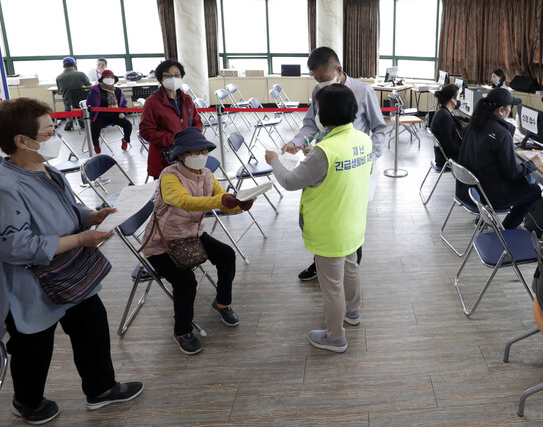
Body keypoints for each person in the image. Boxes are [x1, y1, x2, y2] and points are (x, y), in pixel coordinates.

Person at [0, 98, 143, 424]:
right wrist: (81, 239)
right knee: (34, 346)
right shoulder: (0, 189)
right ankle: (27, 401)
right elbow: (17, 246)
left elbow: (69, 209)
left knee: (92, 324)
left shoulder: (46, 170)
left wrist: (92, 216)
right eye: (50, 132)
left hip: (70, 272)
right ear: (22, 141)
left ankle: (101, 389)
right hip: (27, 284)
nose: (58, 137)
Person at [265, 84, 372, 353]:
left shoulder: (324, 151)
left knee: (331, 286)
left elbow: (290, 181)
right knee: (351, 269)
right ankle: (354, 313)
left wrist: (274, 161)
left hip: (329, 228)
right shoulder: (362, 139)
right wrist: (312, 156)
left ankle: (335, 337)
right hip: (353, 221)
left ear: (324, 113)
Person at [142, 127, 252, 355]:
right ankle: (181, 331)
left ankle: (222, 303)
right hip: (161, 244)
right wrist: (221, 200)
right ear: (181, 155)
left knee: (226, 254)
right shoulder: (169, 176)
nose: (201, 155)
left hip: (192, 235)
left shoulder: (208, 175)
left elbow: (221, 202)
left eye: (204, 151)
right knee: (186, 281)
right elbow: (185, 201)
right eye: (195, 152)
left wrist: (238, 205)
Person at [280, 46, 386, 281]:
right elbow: (311, 123)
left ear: (338, 69)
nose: (320, 83)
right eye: (316, 79)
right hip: (324, 161)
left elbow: (379, 128)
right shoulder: (319, 91)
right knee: (323, 217)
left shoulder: (362, 91)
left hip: (353, 166)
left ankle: (350, 271)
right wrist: (296, 142)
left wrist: (372, 157)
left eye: (324, 77)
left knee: (349, 218)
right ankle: (322, 263)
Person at [456, 88, 542, 230]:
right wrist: (533, 163)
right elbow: (512, 173)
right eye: (510, 108)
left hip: (470, 190)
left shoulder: (474, 123)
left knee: (526, 181)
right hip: (489, 195)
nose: (511, 110)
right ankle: (506, 229)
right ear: (501, 110)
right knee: (534, 190)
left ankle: (485, 220)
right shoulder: (502, 134)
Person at [139, 59, 203, 179]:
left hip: (188, 154)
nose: (173, 78)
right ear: (161, 78)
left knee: (189, 191)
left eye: (176, 75)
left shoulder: (186, 99)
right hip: (165, 158)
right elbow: (146, 131)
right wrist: (173, 140)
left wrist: (194, 135)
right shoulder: (152, 102)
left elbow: (197, 120)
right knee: (169, 194)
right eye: (168, 76)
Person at [86, 69, 131, 153]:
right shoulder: (95, 90)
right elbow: (89, 104)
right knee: (94, 127)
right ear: (102, 79)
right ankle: (96, 144)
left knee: (128, 125)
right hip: (99, 116)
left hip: (115, 115)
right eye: (107, 77)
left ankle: (125, 140)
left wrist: (123, 113)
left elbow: (124, 104)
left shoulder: (118, 91)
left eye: (111, 77)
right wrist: (91, 117)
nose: (109, 79)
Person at [430, 83, 465, 166]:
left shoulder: (443, 112)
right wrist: (465, 152)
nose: (460, 100)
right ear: (452, 99)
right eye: (459, 97)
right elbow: (449, 144)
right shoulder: (444, 117)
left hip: (444, 156)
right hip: (447, 159)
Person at [55, 56, 89, 131]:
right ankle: (81, 121)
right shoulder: (81, 74)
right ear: (75, 65)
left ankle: (69, 122)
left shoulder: (59, 77)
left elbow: (60, 91)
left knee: (67, 103)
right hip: (80, 101)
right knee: (80, 104)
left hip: (68, 100)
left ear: (63, 66)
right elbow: (88, 86)